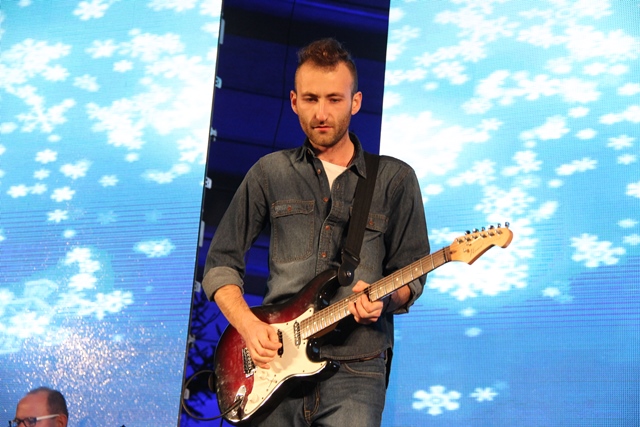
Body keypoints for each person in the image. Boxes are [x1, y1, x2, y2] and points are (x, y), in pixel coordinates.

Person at [203, 38, 430, 426]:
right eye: (310, 99)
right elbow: (220, 264)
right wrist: (248, 326)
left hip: (358, 369)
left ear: (355, 102)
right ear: (294, 102)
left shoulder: (395, 179)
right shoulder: (270, 172)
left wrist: (386, 299)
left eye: (334, 99)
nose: (321, 113)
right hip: (274, 365)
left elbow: (411, 274)